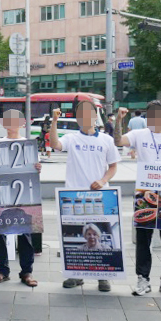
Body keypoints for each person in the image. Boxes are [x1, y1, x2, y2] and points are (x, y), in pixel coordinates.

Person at [114, 100, 161, 298]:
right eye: (152, 114)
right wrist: (118, 120)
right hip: (145, 193)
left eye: (160, 114)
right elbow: (117, 141)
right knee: (143, 239)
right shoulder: (139, 134)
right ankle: (143, 279)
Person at [50, 103, 119, 292]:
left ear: (95, 116)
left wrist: (103, 180)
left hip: (100, 195)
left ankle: (103, 277)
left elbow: (113, 166)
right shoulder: (72, 138)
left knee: (98, 236)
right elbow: (55, 144)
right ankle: (76, 274)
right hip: (74, 196)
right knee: (83, 237)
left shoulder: (106, 140)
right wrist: (54, 121)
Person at [0, 107, 41, 287]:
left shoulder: (28, 144)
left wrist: (37, 168)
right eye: (7, 119)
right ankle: (2, 271)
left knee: (26, 235)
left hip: (22, 197)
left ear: (23, 123)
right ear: (2, 123)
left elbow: (35, 168)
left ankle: (26, 272)